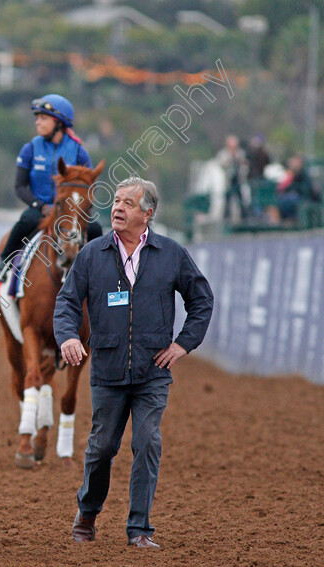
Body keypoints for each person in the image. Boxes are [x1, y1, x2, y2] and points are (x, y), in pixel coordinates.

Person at [54, 177, 213, 549]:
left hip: (153, 372)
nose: (118, 208)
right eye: (116, 201)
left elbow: (201, 300)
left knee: (147, 442)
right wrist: (70, 336)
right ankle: (88, 513)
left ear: (148, 213)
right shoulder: (92, 254)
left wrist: (182, 344)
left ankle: (139, 529)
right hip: (107, 370)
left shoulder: (171, 253)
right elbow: (66, 302)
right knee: (102, 447)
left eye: (128, 203)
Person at [0, 94, 98, 296]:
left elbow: (90, 185)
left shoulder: (79, 152)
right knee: (24, 221)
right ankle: (2, 268)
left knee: (96, 228)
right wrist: (40, 206)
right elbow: (20, 187)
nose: (37, 122)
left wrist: (78, 209)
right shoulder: (30, 149)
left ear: (58, 122)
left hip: (69, 213)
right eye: (37, 117)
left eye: (43, 118)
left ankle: (101, 275)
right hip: (41, 210)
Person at [217, 135, 249, 220]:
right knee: (228, 199)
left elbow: (244, 163)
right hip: (228, 180)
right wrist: (230, 157)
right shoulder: (224, 154)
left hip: (238, 179)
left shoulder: (240, 153)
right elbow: (222, 164)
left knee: (240, 198)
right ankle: (226, 217)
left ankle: (244, 217)